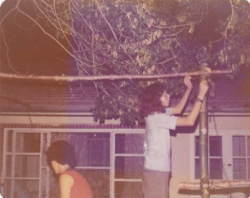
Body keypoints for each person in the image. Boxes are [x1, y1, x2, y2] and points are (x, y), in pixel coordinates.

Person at [140, 74, 210, 198]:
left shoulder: (157, 113)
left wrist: (188, 89)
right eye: (165, 94)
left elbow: (178, 109)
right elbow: (189, 121)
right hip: (156, 172)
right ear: (157, 99)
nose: (169, 96)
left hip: (158, 171)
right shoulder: (157, 117)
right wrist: (200, 95)